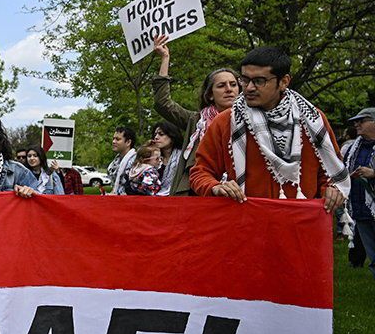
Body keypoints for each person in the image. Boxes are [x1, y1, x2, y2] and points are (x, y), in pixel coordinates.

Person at [190, 47, 348, 211]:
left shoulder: (313, 120)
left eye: (259, 81)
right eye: (244, 79)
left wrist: (332, 190)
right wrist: (215, 187)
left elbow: (331, 172)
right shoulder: (225, 122)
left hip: (301, 223)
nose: (249, 87)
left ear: (284, 81)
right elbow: (200, 172)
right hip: (247, 223)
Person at [151, 34, 240, 195]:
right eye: (221, 85)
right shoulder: (196, 121)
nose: (229, 89)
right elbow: (162, 103)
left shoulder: (253, 121)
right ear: (210, 94)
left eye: (233, 84)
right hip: (195, 193)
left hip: (236, 192)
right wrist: (165, 58)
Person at [342, 107, 375, 278]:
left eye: (361, 121)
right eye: (355, 121)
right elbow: (342, 170)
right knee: (373, 256)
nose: (356, 124)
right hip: (361, 209)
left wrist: (373, 173)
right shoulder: (352, 148)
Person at [148, 121, 185, 197]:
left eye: (161, 134)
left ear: (172, 136)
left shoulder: (183, 157)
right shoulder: (150, 157)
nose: (156, 137)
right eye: (155, 134)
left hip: (177, 199)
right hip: (151, 200)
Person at [105, 126, 138, 195]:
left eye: (117, 139)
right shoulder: (116, 161)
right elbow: (116, 186)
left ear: (128, 142)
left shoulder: (136, 161)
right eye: (113, 139)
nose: (113, 141)